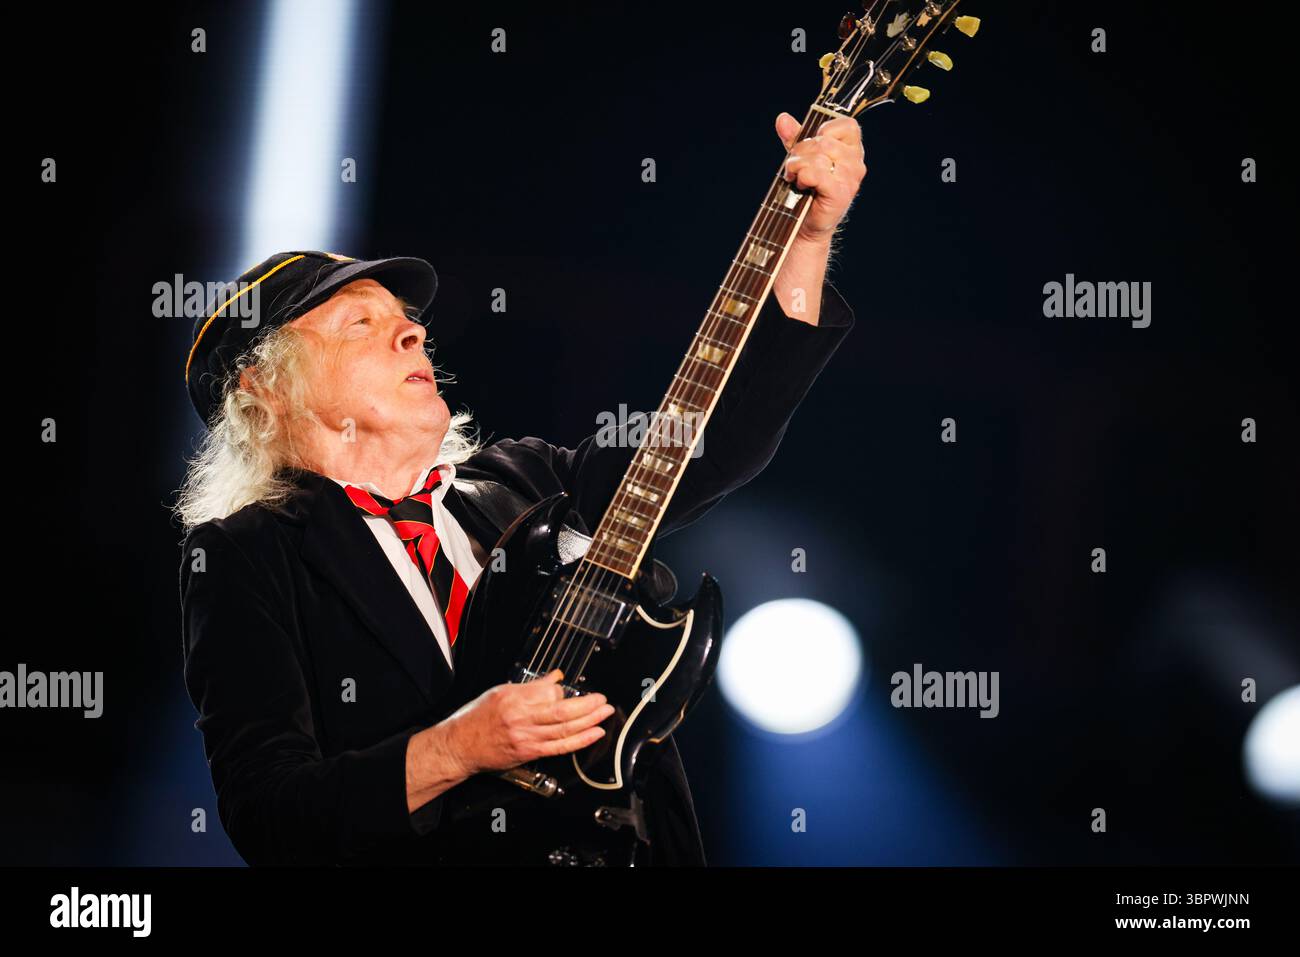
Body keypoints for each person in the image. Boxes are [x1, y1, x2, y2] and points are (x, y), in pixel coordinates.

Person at [175, 112, 866, 865]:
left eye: (408, 320)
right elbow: (272, 816)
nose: (411, 334)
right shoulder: (247, 555)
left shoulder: (527, 481)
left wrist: (804, 242)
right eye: (359, 323)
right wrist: (459, 746)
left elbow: (710, 439)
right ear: (265, 389)